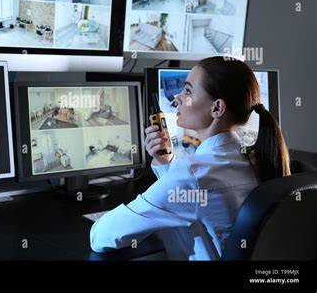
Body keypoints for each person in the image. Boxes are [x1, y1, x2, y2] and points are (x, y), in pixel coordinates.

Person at [89, 57, 290, 260]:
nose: (177, 97)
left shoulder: (192, 174)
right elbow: (193, 203)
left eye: (187, 91)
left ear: (217, 108)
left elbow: (102, 236)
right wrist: (164, 162)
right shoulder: (251, 158)